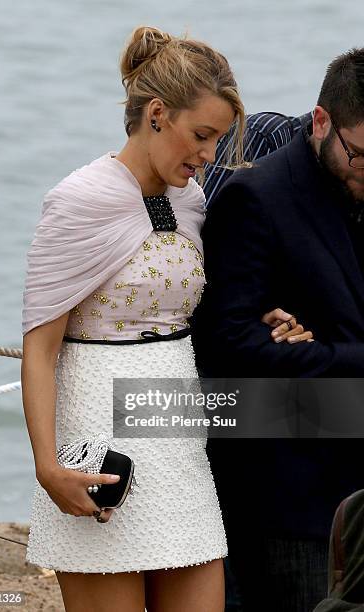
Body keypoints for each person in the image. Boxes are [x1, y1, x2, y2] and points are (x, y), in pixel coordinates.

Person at [21, 26, 313, 612]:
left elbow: (179, 298)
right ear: (157, 113)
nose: (208, 156)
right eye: (201, 136)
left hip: (177, 433)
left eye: (218, 141)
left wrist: (264, 318)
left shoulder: (190, 198)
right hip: (99, 431)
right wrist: (49, 466)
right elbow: (39, 346)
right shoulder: (80, 199)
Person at [191, 47, 364, 612]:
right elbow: (226, 343)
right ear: (321, 122)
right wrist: (349, 357)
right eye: (360, 155)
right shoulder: (256, 198)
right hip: (293, 493)